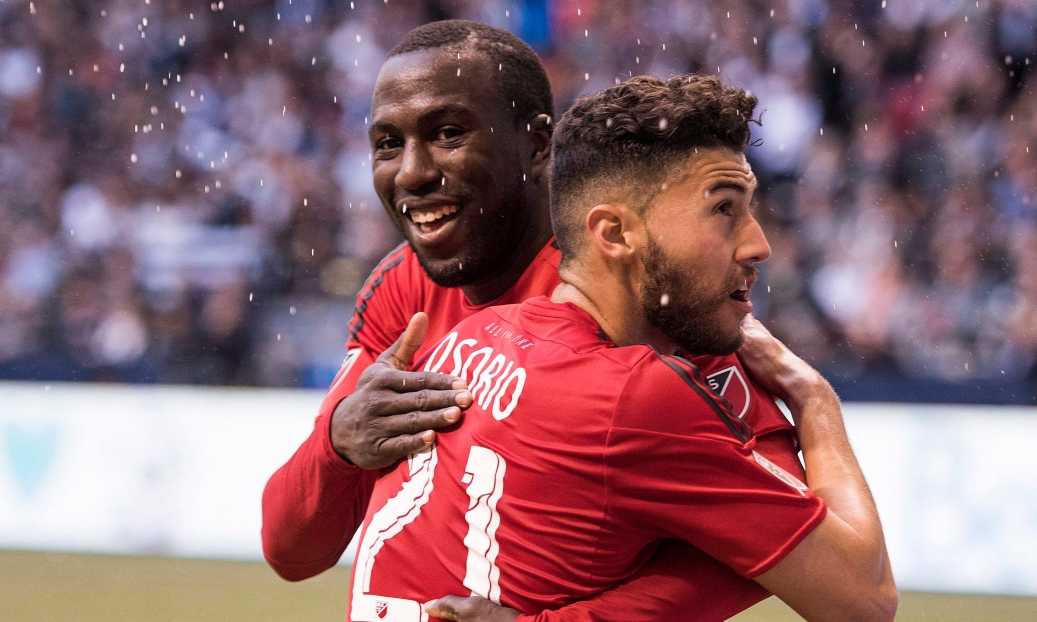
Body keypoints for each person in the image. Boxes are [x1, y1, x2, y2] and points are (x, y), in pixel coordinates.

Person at [262, 21, 805, 620]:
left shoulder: (643, 296)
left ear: (538, 144)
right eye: (388, 143)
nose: (412, 172)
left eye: (447, 134)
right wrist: (337, 443)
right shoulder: (402, 287)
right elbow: (291, 549)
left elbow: (783, 531)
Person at [348, 74, 897, 622]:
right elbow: (864, 599)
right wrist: (813, 397)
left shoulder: (471, 336)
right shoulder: (633, 395)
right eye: (724, 209)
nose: (759, 244)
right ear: (612, 234)